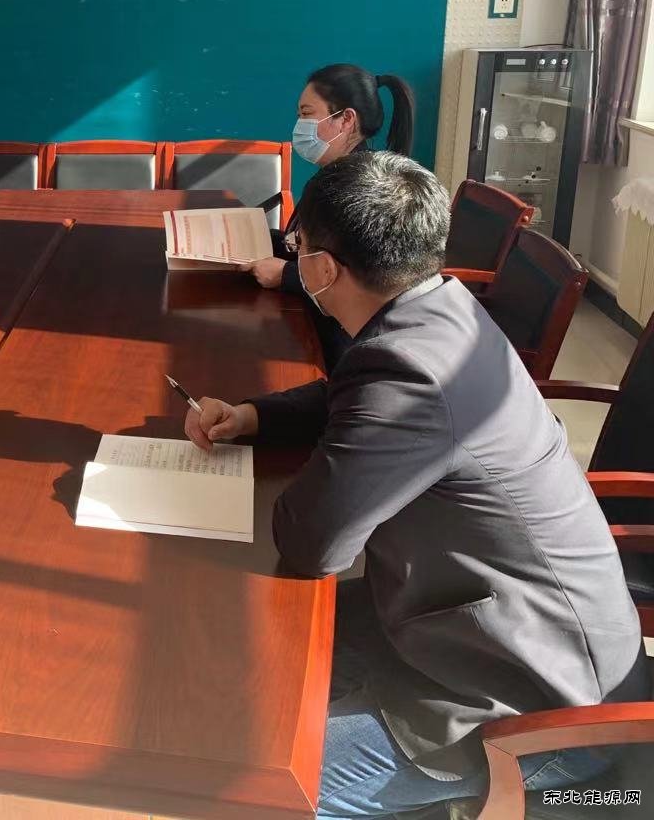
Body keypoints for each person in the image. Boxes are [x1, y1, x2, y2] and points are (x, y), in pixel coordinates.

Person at [184, 151, 649, 820]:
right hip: (476, 621)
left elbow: (312, 544)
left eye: (298, 244)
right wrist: (255, 416)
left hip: (531, 704)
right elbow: (355, 394)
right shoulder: (439, 309)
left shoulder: (410, 371)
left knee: (239, 789)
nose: (294, 256)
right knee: (232, 660)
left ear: (322, 269)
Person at [244, 64, 415, 368]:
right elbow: (303, 246)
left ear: (346, 119)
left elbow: (364, 281)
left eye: (307, 114)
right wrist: (250, 235)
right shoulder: (332, 176)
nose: (299, 126)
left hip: (338, 350)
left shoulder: (363, 191)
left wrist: (285, 275)